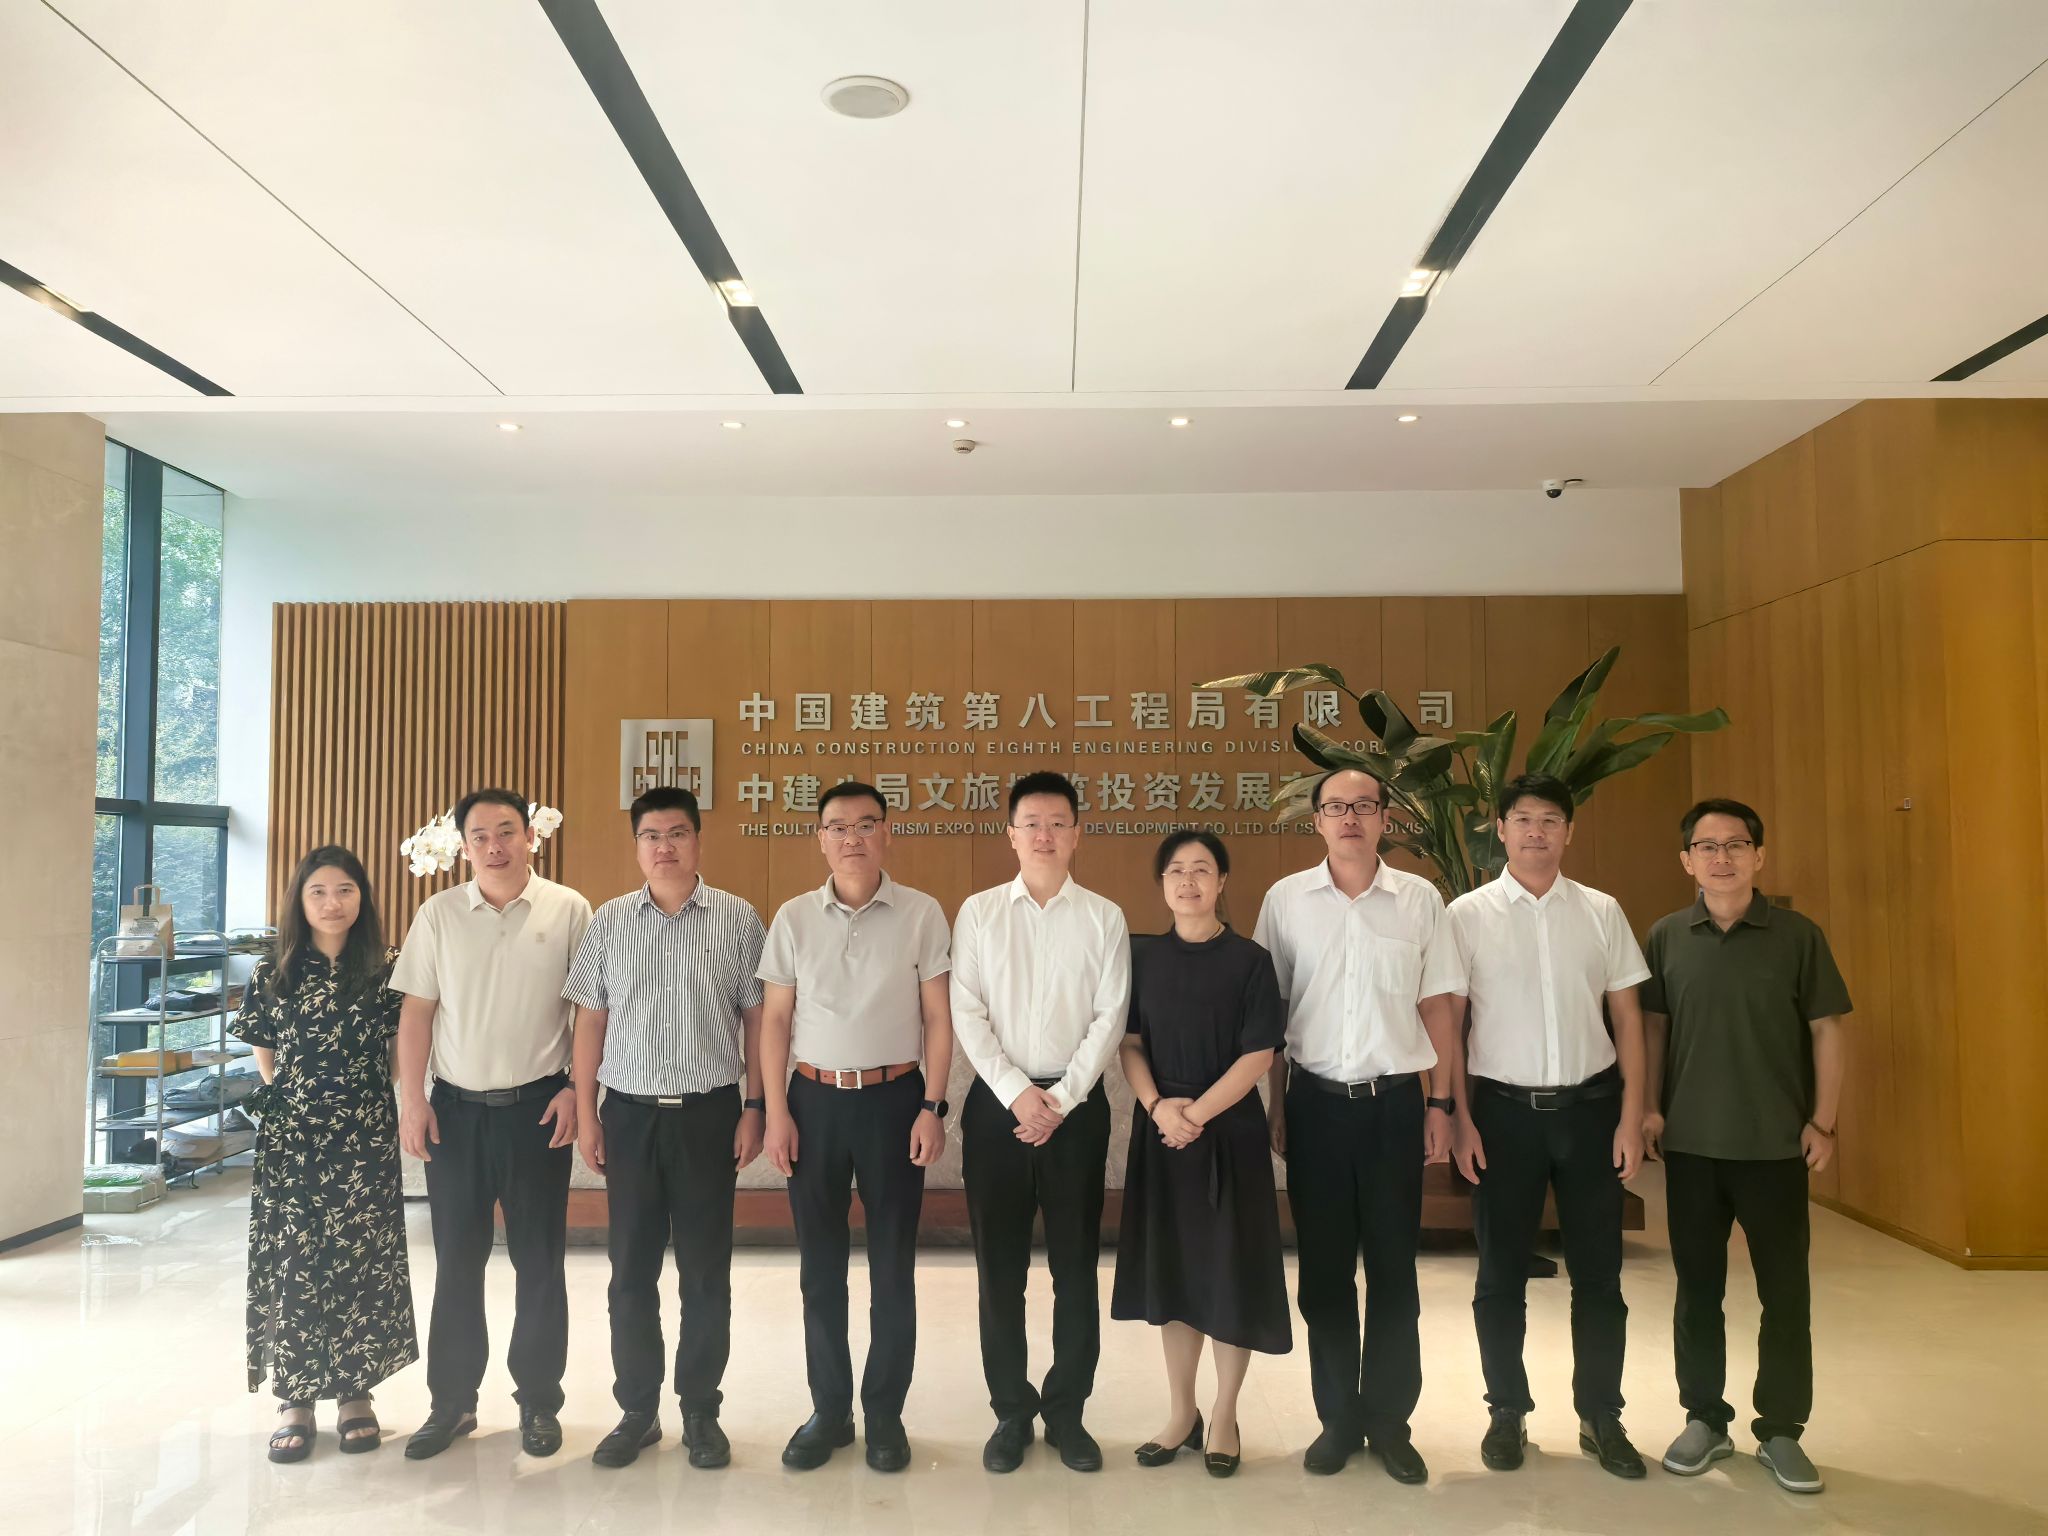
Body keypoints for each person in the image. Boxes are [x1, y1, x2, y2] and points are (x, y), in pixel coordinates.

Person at [1438, 773, 1652, 1479]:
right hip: (1501, 1115)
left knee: (1600, 1276)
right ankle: (1507, 1410)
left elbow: (1628, 1019)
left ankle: (1601, 1415)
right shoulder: (1466, 915)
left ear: (1569, 832)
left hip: (1592, 1113)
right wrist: (1459, 1118)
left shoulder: (1601, 910)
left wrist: (1631, 1117)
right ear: (1499, 830)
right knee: (1500, 1275)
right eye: (1523, 819)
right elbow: (1451, 1025)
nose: (1536, 832)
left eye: (1551, 820)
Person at [1253, 768, 1457, 1483]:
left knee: (1395, 1269)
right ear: (1315, 820)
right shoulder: (1285, 901)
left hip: (1394, 1106)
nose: (1349, 818)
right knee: (1325, 1272)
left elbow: (1438, 1008)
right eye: (1335, 807)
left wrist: (1441, 1104)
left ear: (1384, 819)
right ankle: (1338, 1418)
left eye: (1363, 806)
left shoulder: (1419, 900)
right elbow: (1272, 1015)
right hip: (1314, 1106)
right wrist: (1277, 1105)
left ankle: (1391, 1423)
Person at [1642, 799, 1849, 1495]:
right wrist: (1650, 1109)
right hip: (1692, 1148)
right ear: (1687, 861)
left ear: (1759, 856)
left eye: (1735, 845)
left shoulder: (1797, 936)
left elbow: (1827, 1029)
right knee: (1697, 1291)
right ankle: (1705, 1418)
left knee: (1785, 1293)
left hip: (1776, 1148)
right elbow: (1654, 1030)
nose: (1722, 857)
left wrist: (1823, 1121)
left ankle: (1782, 1429)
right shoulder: (1666, 936)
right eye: (1707, 846)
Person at [565, 787, 767, 1471]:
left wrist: (755, 1105)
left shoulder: (739, 919)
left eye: (677, 833)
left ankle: (701, 1410)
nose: (665, 846)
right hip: (629, 1115)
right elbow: (590, 1021)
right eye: (651, 835)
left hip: (710, 1113)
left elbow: (757, 1020)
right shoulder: (609, 922)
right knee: (631, 1270)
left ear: (698, 840)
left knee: (706, 1271)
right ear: (637, 846)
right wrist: (587, 1110)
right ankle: (638, 1410)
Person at [757, 780, 954, 1472]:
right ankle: (830, 1410)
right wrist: (777, 1112)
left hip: (896, 1102)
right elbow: (775, 1021)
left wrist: (933, 1106)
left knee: (893, 1267)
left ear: (887, 833)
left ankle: (885, 1414)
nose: (852, 837)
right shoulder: (793, 918)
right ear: (821, 838)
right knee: (820, 1269)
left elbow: (938, 1018)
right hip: (813, 1102)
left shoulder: (922, 913)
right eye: (838, 826)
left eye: (866, 824)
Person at [392, 788, 592, 1460]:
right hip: (454, 1114)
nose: (495, 846)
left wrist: (577, 1088)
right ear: (464, 847)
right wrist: (413, 1100)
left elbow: (590, 1013)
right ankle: (451, 1403)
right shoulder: (439, 914)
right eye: (480, 836)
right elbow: (416, 1013)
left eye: (507, 831)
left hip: (539, 1111)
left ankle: (539, 1402)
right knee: (457, 1262)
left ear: (531, 836)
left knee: (539, 1262)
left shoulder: (570, 909)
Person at [951, 771, 1130, 1474]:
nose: (1045, 835)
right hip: (998, 1109)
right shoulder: (978, 913)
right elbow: (967, 1012)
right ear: (1012, 835)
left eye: (1058, 822)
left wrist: (1062, 1098)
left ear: (1077, 833)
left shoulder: (1105, 917)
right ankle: (1011, 1412)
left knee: (1075, 1268)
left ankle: (1067, 1412)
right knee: (999, 1272)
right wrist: (1017, 1093)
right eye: (1031, 822)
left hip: (1075, 1114)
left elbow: (1110, 1016)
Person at [1112, 829, 1291, 1478]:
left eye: (1202, 870)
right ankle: (1180, 1412)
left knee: (1229, 1275)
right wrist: (1159, 1107)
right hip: (1163, 1134)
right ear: (1162, 884)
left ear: (1221, 882)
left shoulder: (1250, 961)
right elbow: (1130, 1042)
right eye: (1176, 871)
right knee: (1175, 1275)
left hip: (1228, 1134)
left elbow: (1259, 1053)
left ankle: (1223, 1416)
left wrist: (1195, 1114)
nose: (1188, 881)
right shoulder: (1142, 957)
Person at [236, 845, 417, 1463]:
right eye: (318, 891)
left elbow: (398, 1051)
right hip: (293, 1139)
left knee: (360, 1257)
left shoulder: (388, 968)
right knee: (295, 1259)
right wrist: (290, 1101)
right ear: (300, 900)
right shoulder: (274, 969)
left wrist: (367, 1100)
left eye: (345, 890)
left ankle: (354, 1393)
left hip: (364, 1135)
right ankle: (295, 1399)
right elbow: (264, 1050)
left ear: (362, 897)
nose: (332, 903)